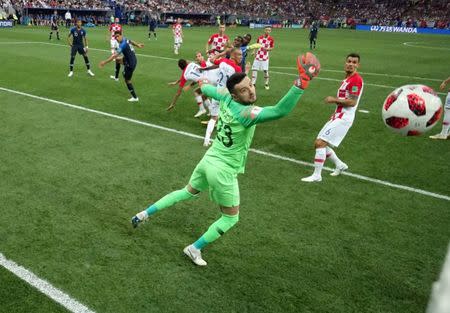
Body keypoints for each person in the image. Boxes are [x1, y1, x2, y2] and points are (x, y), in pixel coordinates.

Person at [131, 54, 320, 266]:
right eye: (244, 90)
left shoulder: (225, 96)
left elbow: (206, 88)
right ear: (235, 95)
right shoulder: (248, 113)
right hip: (223, 170)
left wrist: (201, 83)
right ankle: (194, 249)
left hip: (209, 159)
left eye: (250, 85)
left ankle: (143, 213)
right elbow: (279, 110)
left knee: (186, 192)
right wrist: (301, 83)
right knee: (231, 218)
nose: (251, 91)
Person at [302, 53, 364, 182]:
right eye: (349, 61)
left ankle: (317, 175)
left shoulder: (356, 80)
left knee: (320, 143)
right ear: (345, 62)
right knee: (321, 142)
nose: (351, 64)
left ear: (358, 65)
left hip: (344, 118)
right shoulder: (347, 79)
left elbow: (352, 102)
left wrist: (333, 100)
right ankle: (340, 165)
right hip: (338, 116)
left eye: (354, 62)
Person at [200, 48, 243, 146]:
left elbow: (212, 60)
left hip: (217, 92)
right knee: (230, 117)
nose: (241, 57)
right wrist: (247, 70)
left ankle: (206, 140)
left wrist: (221, 54)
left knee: (214, 117)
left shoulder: (223, 61)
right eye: (239, 55)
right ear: (233, 55)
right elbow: (241, 83)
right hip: (227, 95)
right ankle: (227, 139)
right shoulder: (237, 69)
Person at [99, 31, 144, 102]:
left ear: (121, 35)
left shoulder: (122, 45)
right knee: (117, 60)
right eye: (115, 37)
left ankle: (135, 97)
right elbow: (131, 41)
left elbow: (114, 55)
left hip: (130, 63)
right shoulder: (125, 39)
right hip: (131, 58)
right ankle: (116, 77)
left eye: (117, 36)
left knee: (127, 80)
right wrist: (138, 45)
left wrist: (104, 62)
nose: (116, 38)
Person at [251, 26, 275, 90]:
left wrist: (268, 49)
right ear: (264, 30)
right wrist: (254, 51)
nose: (267, 31)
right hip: (258, 56)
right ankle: (253, 84)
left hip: (265, 57)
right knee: (254, 70)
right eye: (266, 30)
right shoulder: (260, 38)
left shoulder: (271, 39)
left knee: (265, 71)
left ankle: (266, 84)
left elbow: (272, 47)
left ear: (270, 31)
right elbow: (256, 45)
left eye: (269, 30)